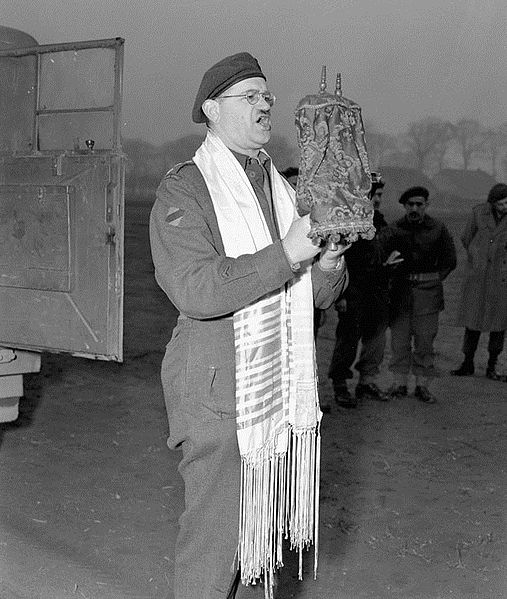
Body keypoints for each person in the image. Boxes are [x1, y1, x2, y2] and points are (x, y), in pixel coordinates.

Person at [149, 53, 349, 599]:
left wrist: (328, 262)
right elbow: (195, 288)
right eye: (249, 96)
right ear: (211, 110)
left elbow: (318, 297)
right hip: (218, 393)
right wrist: (288, 252)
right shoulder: (186, 189)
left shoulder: (283, 190)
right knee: (216, 548)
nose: (265, 104)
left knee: (255, 545)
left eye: (268, 96)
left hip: (275, 395)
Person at [327, 173, 398, 408]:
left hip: (377, 292)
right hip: (353, 291)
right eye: (373, 194)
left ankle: (366, 382)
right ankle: (340, 384)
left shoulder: (381, 223)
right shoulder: (348, 224)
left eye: (379, 195)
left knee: (376, 340)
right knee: (348, 339)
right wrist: (341, 295)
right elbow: (340, 260)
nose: (377, 200)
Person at [382, 186, 457, 403]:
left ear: (426, 205)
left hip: (428, 296)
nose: (415, 208)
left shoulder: (438, 229)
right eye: (410, 205)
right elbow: (383, 259)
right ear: (404, 206)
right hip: (400, 294)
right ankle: (399, 384)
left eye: (419, 204)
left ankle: (423, 386)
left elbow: (449, 261)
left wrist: (431, 280)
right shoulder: (394, 229)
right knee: (400, 342)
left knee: (425, 342)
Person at [452, 182, 507, 381]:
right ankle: (467, 363)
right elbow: (466, 238)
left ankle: (492, 366)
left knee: (498, 324)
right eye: (500, 204)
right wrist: (477, 257)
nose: (504, 207)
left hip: (501, 280)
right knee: (472, 321)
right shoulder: (478, 213)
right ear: (492, 203)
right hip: (478, 278)